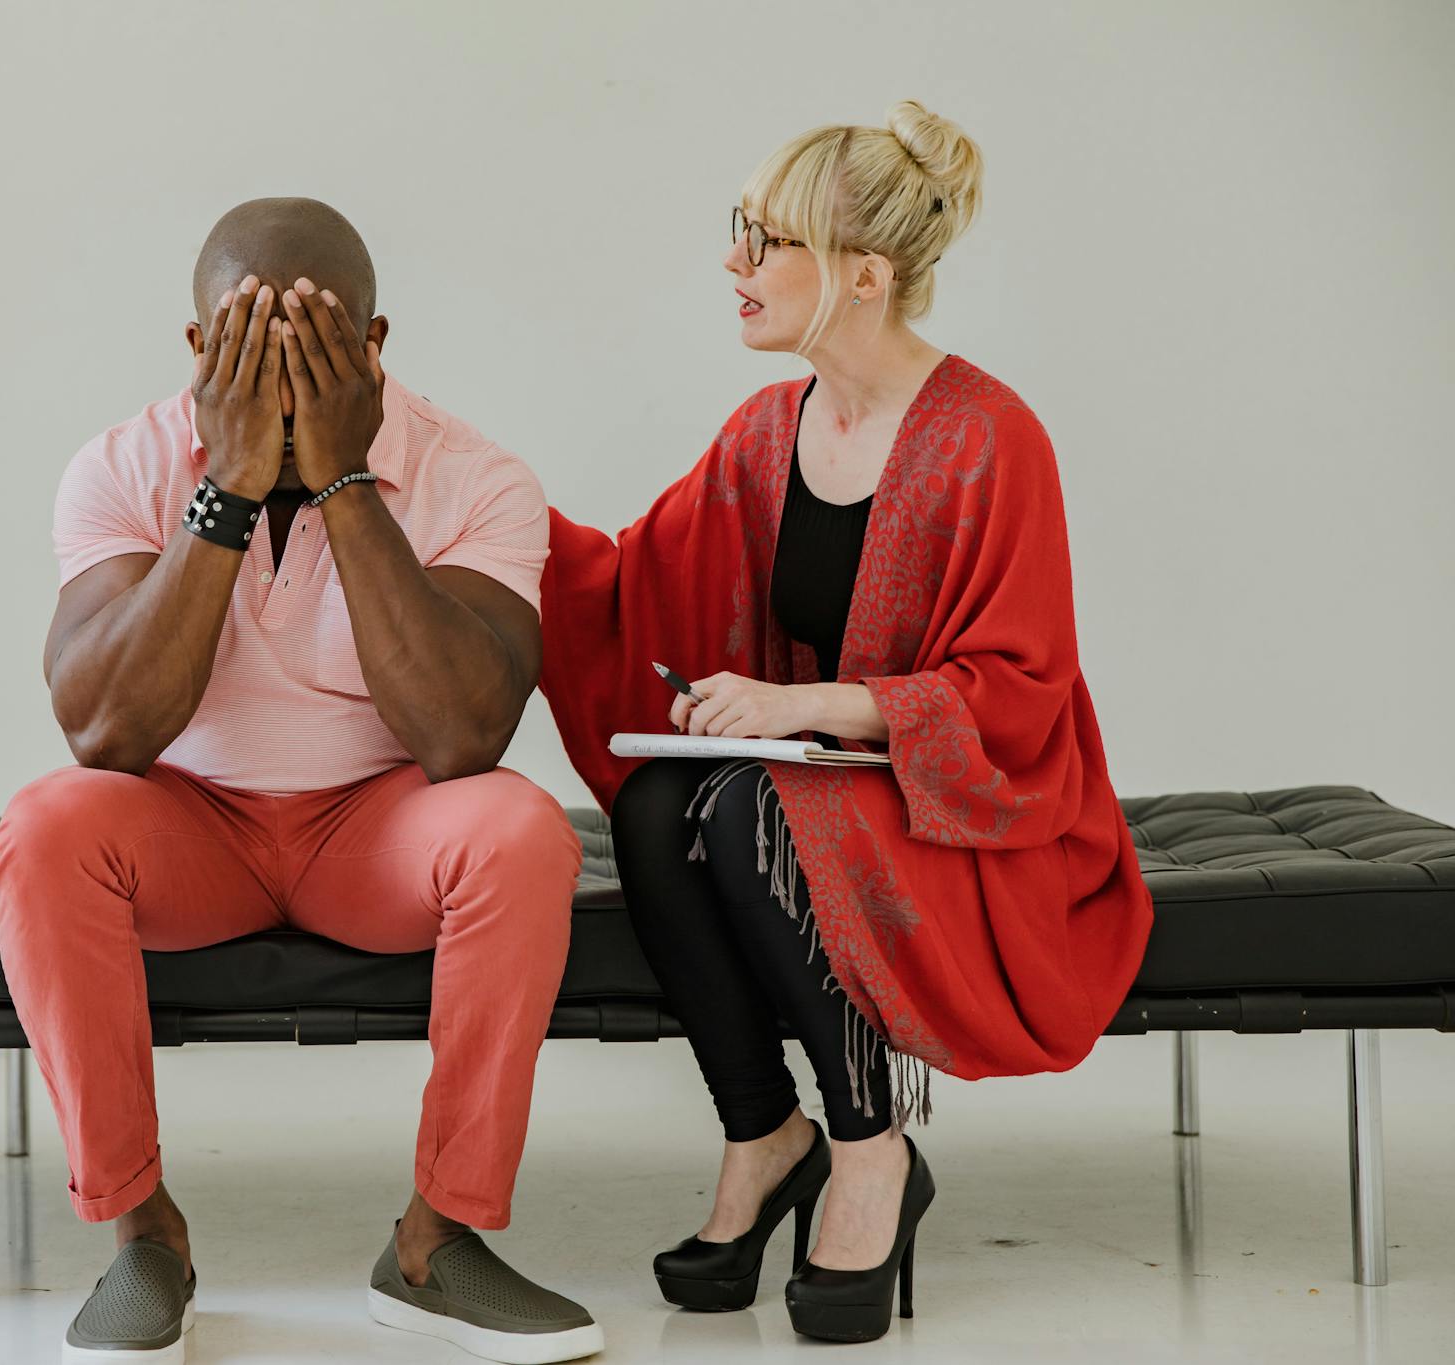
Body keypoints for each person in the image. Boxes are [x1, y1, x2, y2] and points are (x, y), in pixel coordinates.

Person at [537, 102, 1154, 1344]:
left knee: (762, 796)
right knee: (661, 802)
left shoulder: (990, 440)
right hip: (829, 795)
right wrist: (465, 486)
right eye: (740, 234)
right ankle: (764, 1134)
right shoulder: (766, 434)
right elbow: (624, 582)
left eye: (764, 241)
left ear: (862, 276)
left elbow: (1019, 693)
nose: (732, 264)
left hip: (976, 820)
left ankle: (871, 1152)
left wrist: (807, 707)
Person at [0, 197, 604, 1364]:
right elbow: (107, 730)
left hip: (374, 827)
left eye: (313, 341)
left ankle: (437, 1242)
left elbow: (461, 736)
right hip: (190, 823)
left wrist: (342, 482)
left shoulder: (477, 475)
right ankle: (141, 1237)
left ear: (373, 347)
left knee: (516, 829)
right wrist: (220, 487)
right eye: (244, 342)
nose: (278, 371)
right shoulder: (120, 465)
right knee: (48, 824)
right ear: (195, 349)